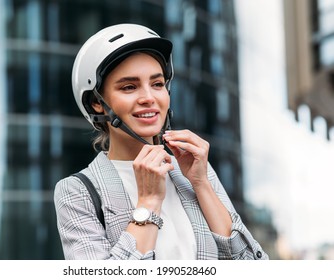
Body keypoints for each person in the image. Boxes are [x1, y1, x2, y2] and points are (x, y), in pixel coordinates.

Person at [54, 23, 269, 260]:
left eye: (157, 84)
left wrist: (201, 183)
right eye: (129, 87)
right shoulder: (77, 191)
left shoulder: (194, 171)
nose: (149, 98)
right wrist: (148, 202)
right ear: (97, 102)